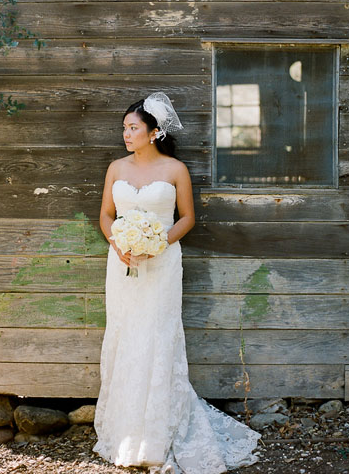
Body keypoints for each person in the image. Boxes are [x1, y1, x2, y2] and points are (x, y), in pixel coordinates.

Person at [95, 92, 260, 473]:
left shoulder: (175, 171)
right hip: (121, 263)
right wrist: (118, 243)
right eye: (124, 128)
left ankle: (157, 433)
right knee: (125, 333)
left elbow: (187, 218)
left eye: (132, 128)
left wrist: (157, 243)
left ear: (153, 133)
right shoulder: (116, 168)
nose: (126, 134)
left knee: (156, 333)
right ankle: (124, 432)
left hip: (162, 262)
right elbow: (105, 215)